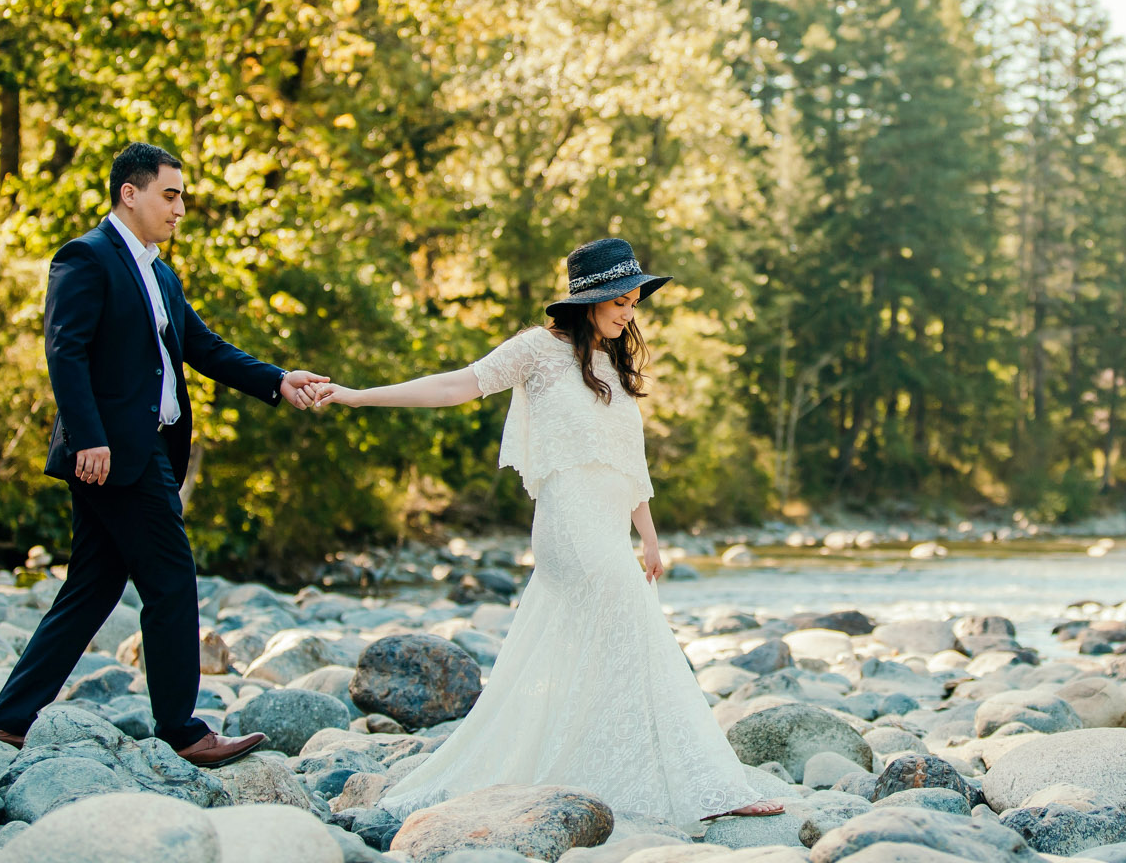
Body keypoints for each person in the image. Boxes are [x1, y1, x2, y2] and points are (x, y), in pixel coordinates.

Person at [316, 237, 784, 822]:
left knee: (609, 647)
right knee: (639, 637)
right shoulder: (536, 351)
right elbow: (455, 386)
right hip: (569, 525)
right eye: (619, 300)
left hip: (610, 526)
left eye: (634, 301)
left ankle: (610, 773)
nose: (628, 312)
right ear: (588, 299)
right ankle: (702, 786)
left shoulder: (611, 360)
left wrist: (649, 533)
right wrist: (359, 398)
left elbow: (624, 458)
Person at [0, 143, 328, 767]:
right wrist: (89, 437)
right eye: (170, 195)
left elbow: (203, 346)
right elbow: (66, 351)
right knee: (171, 580)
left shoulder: (162, 272)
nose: (181, 208)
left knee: (90, 588)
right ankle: (182, 730)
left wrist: (277, 379)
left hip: (149, 452)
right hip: (111, 454)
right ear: (129, 193)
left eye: (183, 196)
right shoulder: (85, 258)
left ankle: (7, 721)